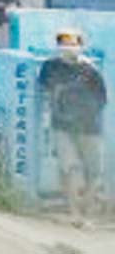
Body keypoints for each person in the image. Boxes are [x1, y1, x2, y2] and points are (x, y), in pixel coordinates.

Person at [38, 28, 108, 227]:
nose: (69, 48)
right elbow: (47, 88)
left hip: (89, 127)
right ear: (58, 46)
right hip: (62, 125)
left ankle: (86, 211)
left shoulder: (91, 71)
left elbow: (102, 99)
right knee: (68, 168)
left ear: (81, 46)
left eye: (73, 44)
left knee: (94, 172)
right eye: (65, 44)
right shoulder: (50, 67)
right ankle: (74, 213)